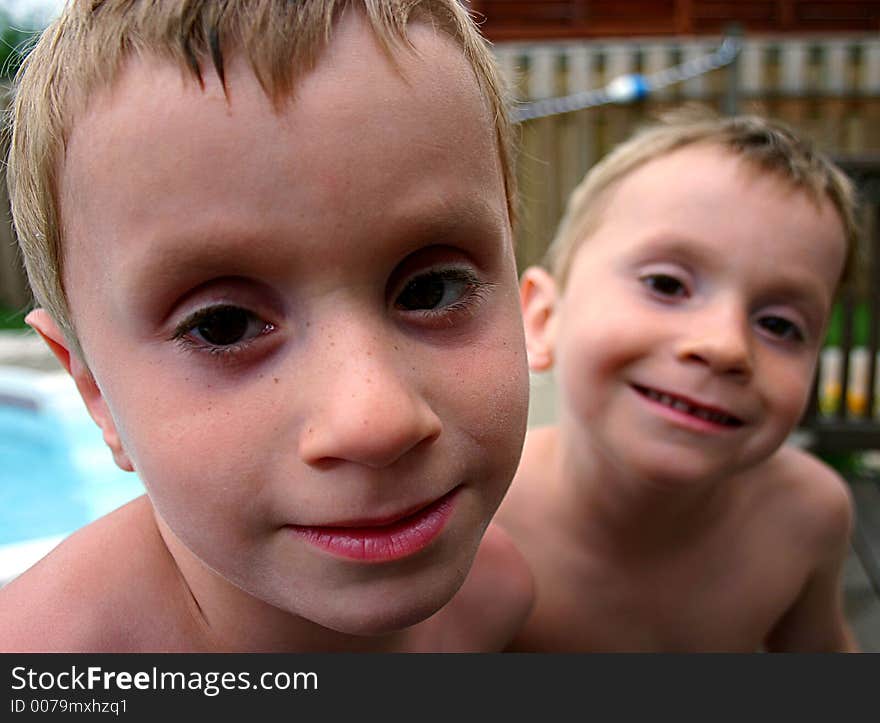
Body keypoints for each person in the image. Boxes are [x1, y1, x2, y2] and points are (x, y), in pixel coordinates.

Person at [0, 0, 533, 652]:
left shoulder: (498, 598)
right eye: (222, 325)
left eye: (430, 288)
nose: (376, 419)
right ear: (94, 393)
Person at [496, 110, 861, 652]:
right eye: (667, 284)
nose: (725, 346)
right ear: (546, 319)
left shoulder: (806, 516)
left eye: (780, 325)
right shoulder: (478, 521)